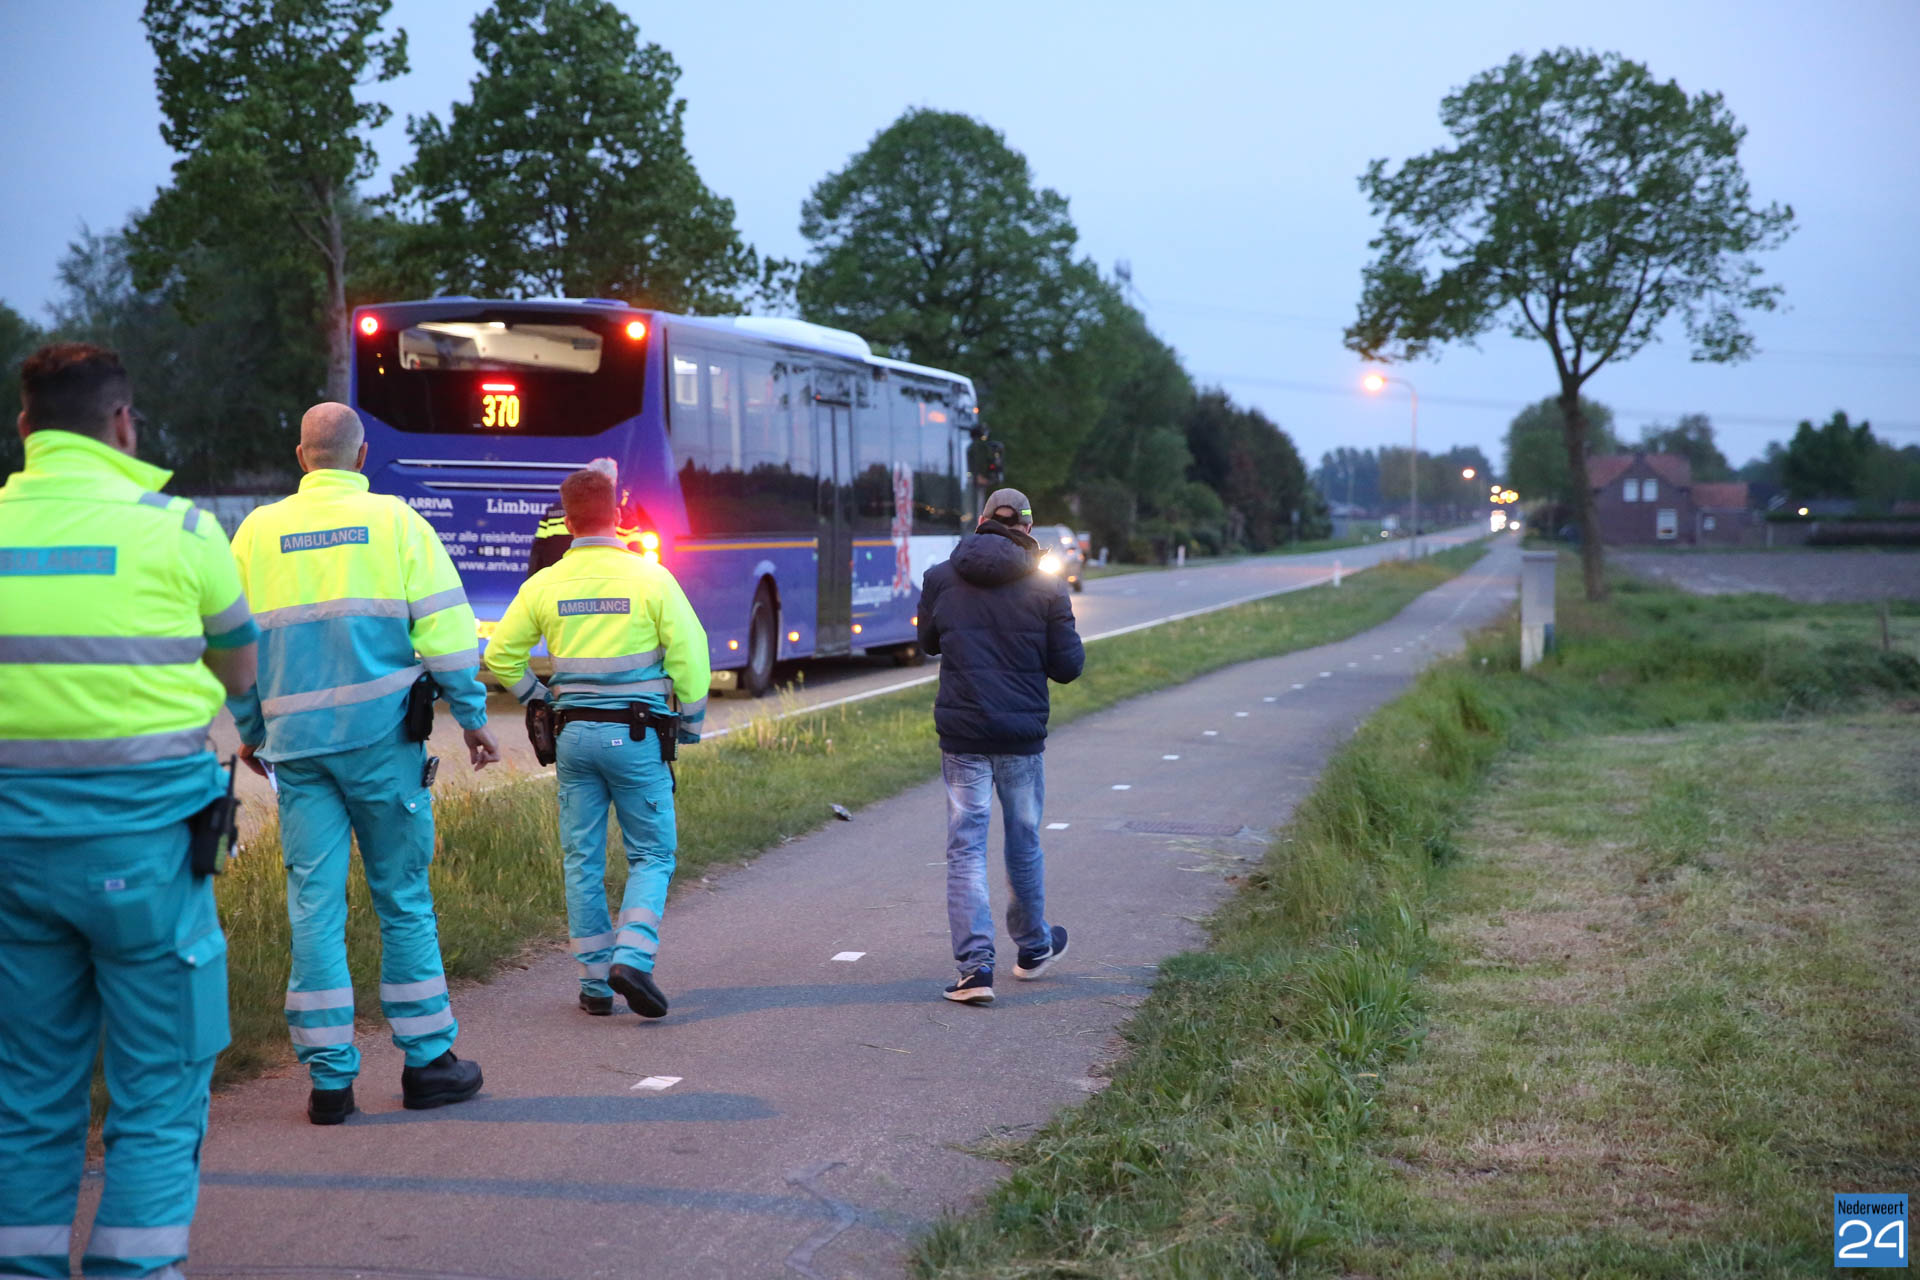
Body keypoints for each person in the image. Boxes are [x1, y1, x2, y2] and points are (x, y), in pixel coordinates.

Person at [0, 343, 258, 1280]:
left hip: (11, 861)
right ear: (122, 424)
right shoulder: (180, 532)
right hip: (146, 860)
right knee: (157, 1089)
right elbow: (240, 669)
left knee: (28, 1093)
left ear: (26, 429)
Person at [225, 402, 501, 1125]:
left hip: (301, 754)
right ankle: (428, 1063)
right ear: (362, 454)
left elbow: (233, 648)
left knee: (314, 904)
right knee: (402, 897)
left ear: (301, 456)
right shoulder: (398, 524)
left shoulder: (255, 533)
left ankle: (329, 1083)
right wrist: (472, 718)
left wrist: (254, 731)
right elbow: (445, 633)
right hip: (383, 745)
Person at [485, 466, 709, 1019]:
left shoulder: (544, 584)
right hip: (635, 737)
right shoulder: (651, 579)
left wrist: (538, 696)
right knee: (653, 853)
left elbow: (498, 657)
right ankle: (632, 959)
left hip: (573, 738)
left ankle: (593, 986)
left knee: (581, 859)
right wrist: (690, 725)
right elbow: (692, 658)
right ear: (616, 516)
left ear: (565, 519)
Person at [916, 487, 1084, 1005]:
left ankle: (974, 969)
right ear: (1028, 530)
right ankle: (1033, 947)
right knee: (1023, 838)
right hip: (1020, 736)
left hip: (963, 733)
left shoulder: (942, 576)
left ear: (984, 521)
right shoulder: (1047, 587)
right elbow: (1068, 668)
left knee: (965, 846)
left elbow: (928, 643)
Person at [525, 457, 635, 576]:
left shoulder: (553, 514)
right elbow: (638, 560)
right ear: (613, 484)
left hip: (559, 588)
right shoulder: (626, 518)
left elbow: (537, 558)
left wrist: (536, 583)